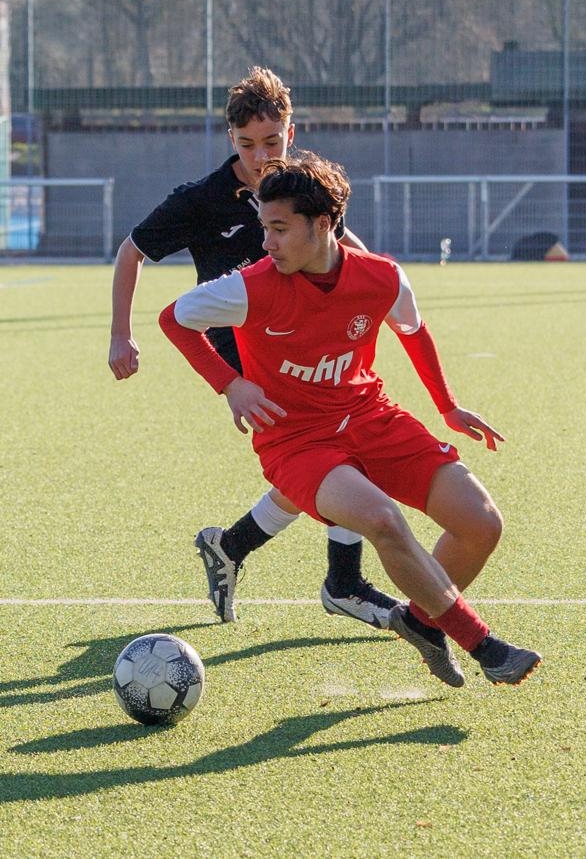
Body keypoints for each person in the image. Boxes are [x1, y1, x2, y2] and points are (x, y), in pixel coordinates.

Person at [159, 150, 542, 688]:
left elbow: (413, 331)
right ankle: (484, 644)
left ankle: (419, 620)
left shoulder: (381, 277)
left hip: (370, 417)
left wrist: (447, 406)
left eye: (278, 229)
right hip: (296, 441)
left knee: (481, 524)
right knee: (383, 520)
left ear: (323, 224)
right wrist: (231, 383)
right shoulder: (250, 286)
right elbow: (173, 319)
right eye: (264, 228)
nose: (266, 243)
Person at [109, 66, 399, 628]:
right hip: (250, 356)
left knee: (338, 451)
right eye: (246, 144)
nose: (261, 156)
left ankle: (238, 549)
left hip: (311, 341)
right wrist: (122, 333)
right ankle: (342, 583)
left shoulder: (300, 187)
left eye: (272, 141)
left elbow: (340, 246)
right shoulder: (202, 200)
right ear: (230, 139)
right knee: (340, 448)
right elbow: (131, 251)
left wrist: (375, 282)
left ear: (292, 132)